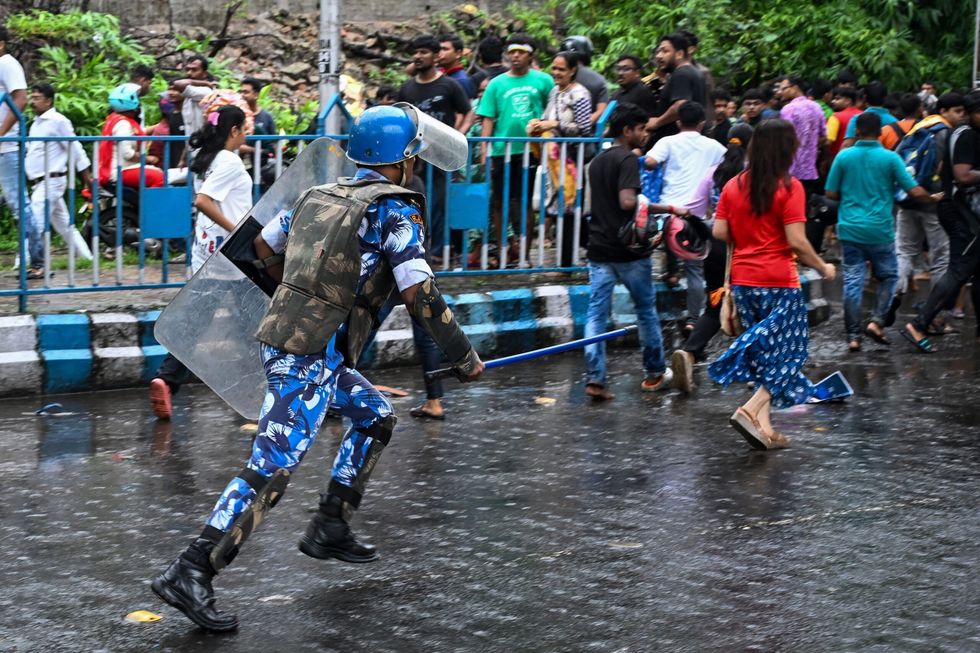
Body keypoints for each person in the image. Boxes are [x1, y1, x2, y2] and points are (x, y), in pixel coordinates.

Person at [151, 104, 484, 632]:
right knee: (273, 467)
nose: (417, 166)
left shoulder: (317, 196)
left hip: (303, 345)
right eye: (414, 157)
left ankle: (331, 522)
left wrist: (307, 296)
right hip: (305, 355)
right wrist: (463, 357)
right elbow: (421, 294)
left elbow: (261, 246)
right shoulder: (394, 211)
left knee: (375, 414)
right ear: (400, 161)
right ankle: (191, 571)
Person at [709, 119, 836, 450]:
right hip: (779, 280)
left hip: (744, 282)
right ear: (786, 149)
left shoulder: (734, 185)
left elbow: (720, 232)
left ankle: (764, 429)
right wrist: (822, 265)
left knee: (766, 356)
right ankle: (750, 410)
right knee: (792, 355)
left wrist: (748, 230)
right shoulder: (789, 187)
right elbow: (796, 240)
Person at [148, 105, 254, 419]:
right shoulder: (230, 162)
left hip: (206, 253)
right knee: (258, 322)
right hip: (232, 257)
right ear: (233, 130)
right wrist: (238, 230)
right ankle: (274, 389)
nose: (246, 135)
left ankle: (166, 379)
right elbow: (203, 201)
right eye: (243, 130)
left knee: (196, 324)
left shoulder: (208, 158)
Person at [584, 103, 677, 400]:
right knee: (646, 312)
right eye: (641, 129)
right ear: (627, 131)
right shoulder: (626, 160)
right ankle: (654, 373)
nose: (645, 135)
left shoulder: (598, 161)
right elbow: (627, 202)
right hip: (629, 252)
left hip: (599, 249)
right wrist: (666, 208)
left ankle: (595, 379)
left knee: (596, 315)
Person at [825, 111, 939, 351]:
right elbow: (913, 190)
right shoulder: (890, 158)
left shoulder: (844, 157)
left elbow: (831, 193)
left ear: (857, 132)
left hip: (850, 230)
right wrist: (934, 198)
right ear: (879, 132)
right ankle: (877, 322)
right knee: (888, 277)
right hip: (880, 231)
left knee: (853, 282)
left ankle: (853, 336)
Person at [671, 122, 754, 393]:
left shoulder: (713, 174)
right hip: (748, 249)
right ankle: (755, 367)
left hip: (716, 248)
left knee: (714, 304)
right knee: (755, 306)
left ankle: (690, 353)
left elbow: (692, 210)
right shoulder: (754, 176)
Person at [904, 91, 980, 352]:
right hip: (961, 213)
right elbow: (963, 175)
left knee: (975, 272)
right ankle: (919, 323)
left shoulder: (964, 132)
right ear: (972, 113)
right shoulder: (967, 134)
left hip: (961, 212)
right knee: (960, 269)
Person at [645, 101, 726, 334]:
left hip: (668, 209)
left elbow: (650, 162)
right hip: (696, 216)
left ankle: (671, 272)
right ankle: (693, 319)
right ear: (702, 123)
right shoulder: (715, 147)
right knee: (695, 270)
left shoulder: (667, 141)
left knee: (656, 247)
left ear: (678, 122)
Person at [477, 34, 554, 262]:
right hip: (501, 150)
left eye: (520, 52)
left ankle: (526, 255)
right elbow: (488, 119)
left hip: (531, 150)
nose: (515, 56)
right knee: (499, 201)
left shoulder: (544, 81)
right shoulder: (496, 83)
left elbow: (551, 112)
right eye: (512, 52)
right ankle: (503, 252)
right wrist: (484, 151)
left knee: (525, 202)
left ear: (531, 55)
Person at [398, 34, 472, 261]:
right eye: (416, 52)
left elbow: (468, 112)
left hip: (439, 156)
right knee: (414, 202)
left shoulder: (449, 85)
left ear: (435, 56)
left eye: (424, 52)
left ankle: (438, 252)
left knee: (439, 204)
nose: (418, 57)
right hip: (412, 158)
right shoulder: (407, 88)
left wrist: (457, 137)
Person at [893, 93, 965, 302]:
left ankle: (893, 295)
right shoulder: (946, 133)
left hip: (908, 199)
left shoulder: (917, 128)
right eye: (957, 111)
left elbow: (898, 160)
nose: (961, 116)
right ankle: (936, 313)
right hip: (935, 202)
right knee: (940, 258)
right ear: (943, 111)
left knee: (904, 252)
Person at [527, 50, 592, 266]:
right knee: (562, 210)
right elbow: (548, 118)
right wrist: (538, 124)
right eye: (554, 68)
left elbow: (584, 129)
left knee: (570, 210)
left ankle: (566, 266)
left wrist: (554, 125)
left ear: (573, 70)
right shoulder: (555, 91)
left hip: (573, 159)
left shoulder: (580, 94)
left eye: (561, 69)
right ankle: (589, 249)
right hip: (555, 160)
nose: (556, 72)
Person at [25, 83, 94, 262]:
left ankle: (23, 263)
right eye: (32, 98)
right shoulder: (37, 123)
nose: (33, 102)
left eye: (37, 98)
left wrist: (87, 178)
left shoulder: (58, 121)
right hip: (40, 182)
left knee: (34, 221)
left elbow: (75, 150)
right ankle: (87, 259)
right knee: (65, 225)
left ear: (48, 101)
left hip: (51, 180)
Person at [0, 26, 42, 278]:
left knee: (20, 204)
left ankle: (37, 262)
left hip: (7, 146)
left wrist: (2, 132)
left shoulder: (6, 63)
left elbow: (21, 98)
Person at [97, 83, 165, 190]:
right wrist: (148, 159)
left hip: (119, 168)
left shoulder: (116, 119)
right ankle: (148, 206)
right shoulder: (123, 124)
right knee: (160, 177)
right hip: (121, 170)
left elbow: (136, 133)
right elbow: (127, 153)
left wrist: (159, 125)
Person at [646, 32, 705, 144]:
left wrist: (657, 122)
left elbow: (680, 106)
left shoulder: (681, 74)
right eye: (658, 51)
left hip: (679, 145)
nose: (658, 56)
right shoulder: (693, 72)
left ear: (679, 54)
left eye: (665, 51)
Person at [777, 75, 826, 200]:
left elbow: (783, 139)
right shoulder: (817, 107)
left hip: (790, 169)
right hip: (809, 170)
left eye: (783, 89)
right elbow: (823, 136)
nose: (780, 92)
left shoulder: (788, 109)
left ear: (795, 88)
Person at [558, 36, 609, 127]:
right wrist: (582, 125)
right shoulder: (597, 79)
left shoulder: (556, 77)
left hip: (556, 136)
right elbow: (601, 110)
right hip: (587, 137)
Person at [841, 80, 897, 148]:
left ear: (865, 98)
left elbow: (847, 144)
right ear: (886, 98)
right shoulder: (895, 122)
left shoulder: (857, 119)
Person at [172, 55, 215, 138]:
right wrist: (205, 82)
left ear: (205, 73)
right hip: (192, 142)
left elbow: (178, 84)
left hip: (203, 144)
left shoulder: (206, 91)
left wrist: (205, 84)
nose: (189, 73)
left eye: (194, 70)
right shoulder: (192, 90)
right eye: (187, 69)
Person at [437, 33, 476, 98]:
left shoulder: (461, 81)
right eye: (438, 49)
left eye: (445, 49)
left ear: (458, 53)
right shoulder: (440, 74)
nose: (439, 53)